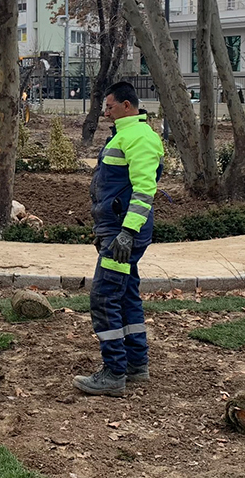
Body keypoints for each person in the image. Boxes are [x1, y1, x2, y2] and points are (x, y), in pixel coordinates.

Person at [75, 81, 164, 397]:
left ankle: (114, 373)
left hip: (123, 234)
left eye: (109, 106)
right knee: (125, 294)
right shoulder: (127, 134)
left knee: (104, 296)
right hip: (116, 230)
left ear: (128, 105)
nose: (105, 111)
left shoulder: (138, 137)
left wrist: (126, 233)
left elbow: (144, 190)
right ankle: (136, 365)